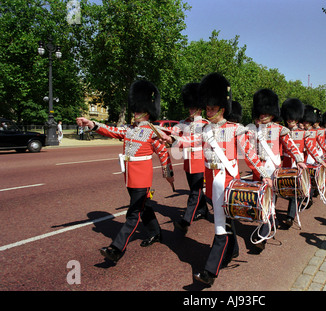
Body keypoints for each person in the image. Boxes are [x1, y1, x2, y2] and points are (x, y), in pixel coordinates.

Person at [160, 73, 272, 286]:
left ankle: (210, 272)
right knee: (227, 221)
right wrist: (173, 138)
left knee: (220, 227)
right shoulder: (204, 129)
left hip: (228, 182)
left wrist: (265, 176)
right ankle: (233, 250)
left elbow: (250, 156)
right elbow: (190, 140)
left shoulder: (235, 130)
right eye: (207, 108)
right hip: (212, 184)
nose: (208, 112)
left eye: (212, 108)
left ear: (222, 108)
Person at [76, 80, 174, 263]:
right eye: (134, 110)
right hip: (129, 176)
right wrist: (91, 123)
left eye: (138, 110)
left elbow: (163, 153)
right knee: (144, 207)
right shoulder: (129, 130)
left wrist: (168, 174)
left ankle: (116, 249)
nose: (135, 113)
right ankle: (156, 233)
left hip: (142, 178)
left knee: (133, 214)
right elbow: (110, 130)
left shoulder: (153, 132)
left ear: (147, 111)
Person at [247, 89, 307, 248]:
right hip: (257, 169)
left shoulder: (280, 129)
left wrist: (299, 160)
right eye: (261, 111)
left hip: (272, 169)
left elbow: (291, 146)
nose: (262, 114)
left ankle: (263, 234)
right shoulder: (252, 129)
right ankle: (270, 223)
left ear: (272, 113)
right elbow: (249, 150)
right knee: (261, 201)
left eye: (265, 111)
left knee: (269, 200)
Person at [170, 83, 209, 234]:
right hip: (188, 161)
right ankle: (203, 210)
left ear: (200, 108)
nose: (191, 110)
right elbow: (173, 132)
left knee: (195, 191)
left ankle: (186, 220)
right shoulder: (183, 123)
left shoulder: (205, 124)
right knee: (194, 189)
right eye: (190, 107)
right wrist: (167, 136)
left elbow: (198, 140)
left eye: (194, 108)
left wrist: (177, 141)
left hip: (200, 160)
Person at [280, 98, 306, 228]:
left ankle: (290, 217)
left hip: (297, 165)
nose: (290, 121)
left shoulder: (303, 133)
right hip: (285, 164)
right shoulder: (282, 131)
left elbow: (309, 148)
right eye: (289, 119)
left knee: (294, 191)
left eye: (292, 119)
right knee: (283, 190)